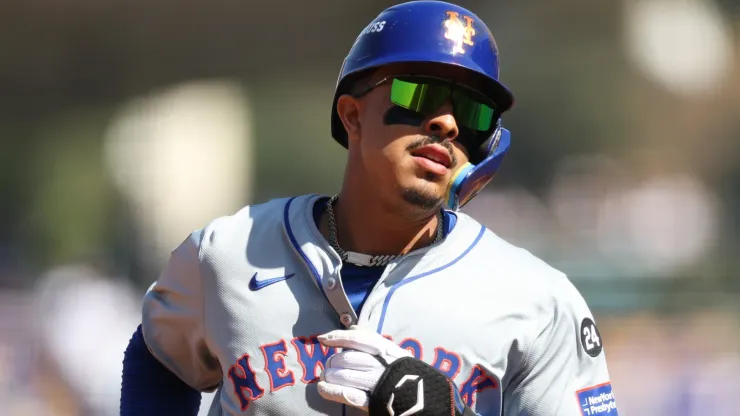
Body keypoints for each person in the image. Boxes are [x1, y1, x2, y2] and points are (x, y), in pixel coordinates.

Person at [120, 1, 620, 415]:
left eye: (471, 111)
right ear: (352, 115)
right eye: (417, 93)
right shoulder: (228, 253)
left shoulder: (538, 300)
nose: (446, 123)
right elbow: (158, 357)